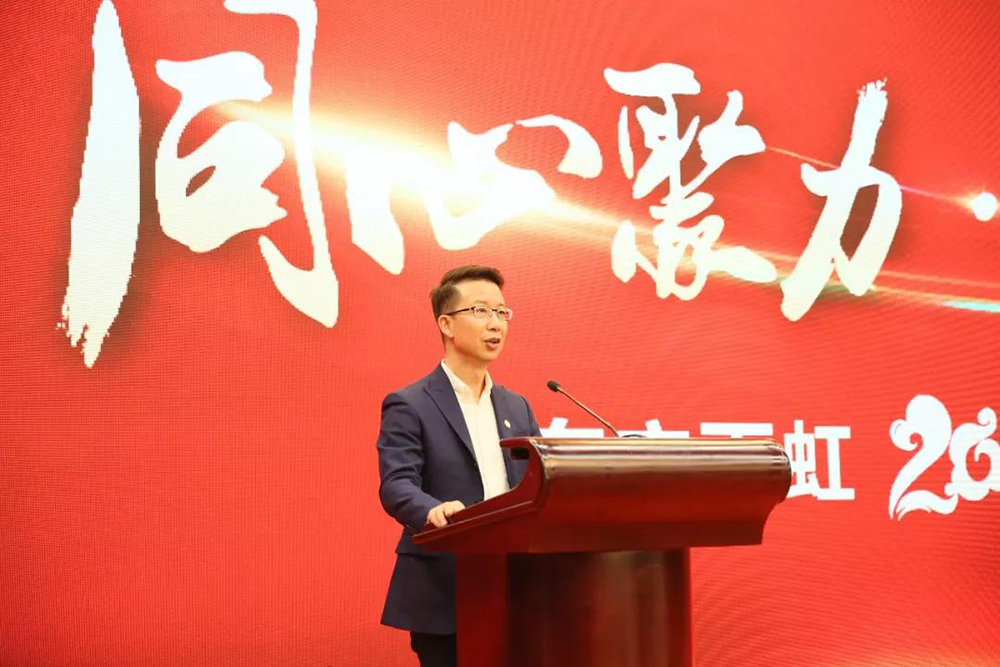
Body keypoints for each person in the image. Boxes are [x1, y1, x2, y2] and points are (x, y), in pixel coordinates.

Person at [376, 266, 542, 667]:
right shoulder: (410, 403)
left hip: (516, 583)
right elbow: (396, 483)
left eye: (502, 312)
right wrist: (432, 510)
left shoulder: (516, 406)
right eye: (481, 311)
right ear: (446, 324)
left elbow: (540, 480)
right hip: (445, 584)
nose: (496, 323)